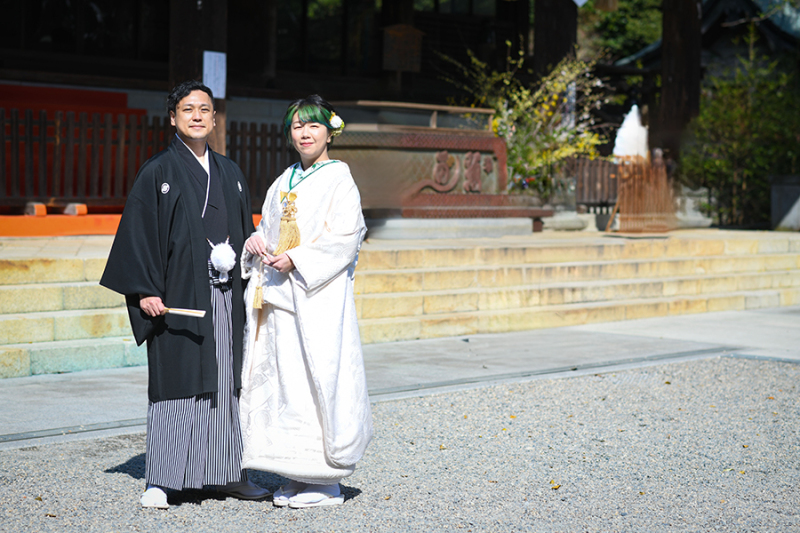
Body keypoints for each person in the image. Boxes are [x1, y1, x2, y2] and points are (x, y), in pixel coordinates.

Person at [100, 80, 269, 509]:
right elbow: (137, 236)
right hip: (176, 295)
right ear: (173, 117)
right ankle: (163, 477)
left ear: (214, 119)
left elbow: (245, 233)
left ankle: (229, 473)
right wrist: (143, 291)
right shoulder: (157, 170)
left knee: (226, 382)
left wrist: (252, 250)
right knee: (177, 382)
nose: (197, 115)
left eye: (205, 109)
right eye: (187, 109)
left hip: (225, 296)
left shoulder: (230, 173)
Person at [239, 95, 373, 509]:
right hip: (280, 294)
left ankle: (326, 480)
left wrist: (296, 257)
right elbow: (270, 226)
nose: (305, 133)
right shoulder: (283, 180)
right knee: (287, 385)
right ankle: (298, 474)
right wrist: (257, 240)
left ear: (330, 131)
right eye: (297, 126)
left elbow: (346, 237)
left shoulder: (340, 178)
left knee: (317, 380)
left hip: (317, 298)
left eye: (313, 125)